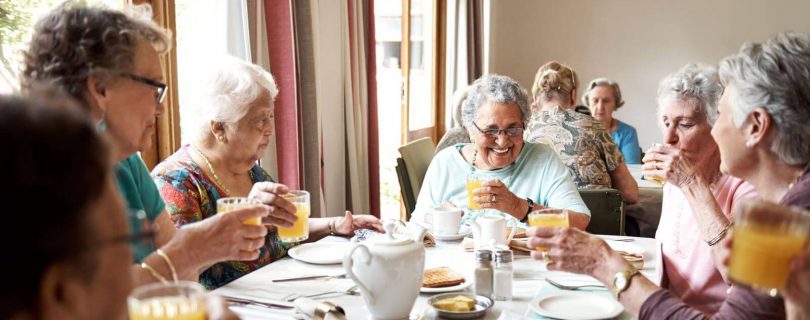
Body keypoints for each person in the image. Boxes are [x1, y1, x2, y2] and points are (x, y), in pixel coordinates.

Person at [526, 31, 810, 320]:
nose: (717, 128)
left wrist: (603, 262)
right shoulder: (788, 204)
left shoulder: (790, 216)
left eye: (723, 115)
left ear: (756, 126)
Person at [22, 2, 272, 287]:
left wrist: (196, 261)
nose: (160, 109)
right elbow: (87, 299)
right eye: (154, 88)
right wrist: (190, 249)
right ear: (101, 87)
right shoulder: (36, 178)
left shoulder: (128, 163)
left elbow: (183, 280)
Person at [151, 55, 384, 289]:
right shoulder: (176, 183)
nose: (270, 129)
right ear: (219, 126)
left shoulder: (250, 170)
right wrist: (244, 218)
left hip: (277, 295)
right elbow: (178, 272)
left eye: (270, 116)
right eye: (260, 120)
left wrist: (335, 225)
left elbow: (283, 228)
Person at [641, 63, 757, 313]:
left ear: (717, 127)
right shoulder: (676, 177)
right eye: (665, 122)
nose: (668, 138)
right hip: (666, 308)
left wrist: (690, 182)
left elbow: (736, 272)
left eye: (685, 124)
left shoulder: (746, 186)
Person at [411, 74, 591, 229]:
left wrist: (519, 207)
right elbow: (417, 221)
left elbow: (579, 221)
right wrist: (438, 217)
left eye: (513, 129)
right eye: (491, 130)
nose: (502, 140)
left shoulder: (542, 159)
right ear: (471, 129)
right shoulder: (446, 163)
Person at [526, 61, 638, 204]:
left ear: (535, 97)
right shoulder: (594, 127)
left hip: (536, 221)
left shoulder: (521, 130)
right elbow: (630, 194)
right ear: (573, 95)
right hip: (595, 223)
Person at [582, 78, 641, 164]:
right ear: (588, 103)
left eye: (606, 101)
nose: (600, 107)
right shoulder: (578, 131)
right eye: (595, 100)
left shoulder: (628, 133)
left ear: (615, 104)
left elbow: (634, 170)